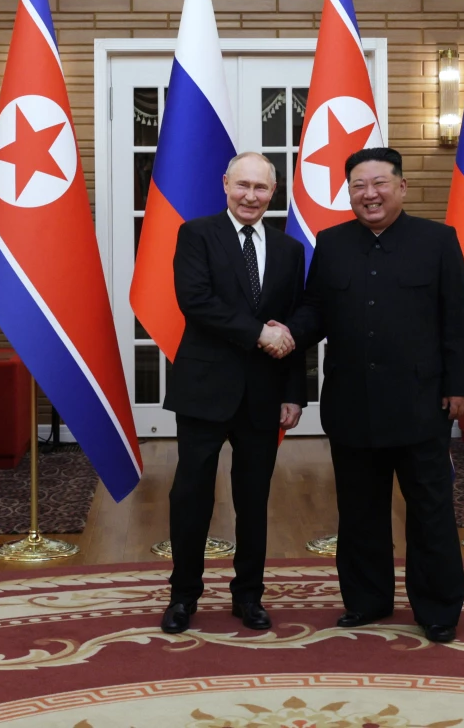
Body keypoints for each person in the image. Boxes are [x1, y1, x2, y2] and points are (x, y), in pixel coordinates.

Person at [276, 147, 464, 643]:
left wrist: (459, 386)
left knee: (429, 511)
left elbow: (457, 319)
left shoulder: (438, 241)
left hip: (420, 403)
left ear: (401, 187)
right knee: (360, 512)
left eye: (380, 183)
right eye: (359, 186)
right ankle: (366, 601)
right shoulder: (331, 243)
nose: (370, 194)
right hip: (352, 404)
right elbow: (316, 310)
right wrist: (286, 333)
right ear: (349, 193)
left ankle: (438, 609)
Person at [160, 152, 306, 635]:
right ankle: (184, 596)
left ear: (273, 192)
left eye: (261, 188)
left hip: (264, 395)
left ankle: (249, 596)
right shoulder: (197, 234)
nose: (250, 196)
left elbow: (290, 326)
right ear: (225, 184)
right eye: (242, 185)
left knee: (254, 498)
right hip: (204, 389)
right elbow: (196, 302)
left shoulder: (289, 250)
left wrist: (294, 393)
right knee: (191, 496)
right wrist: (258, 333)